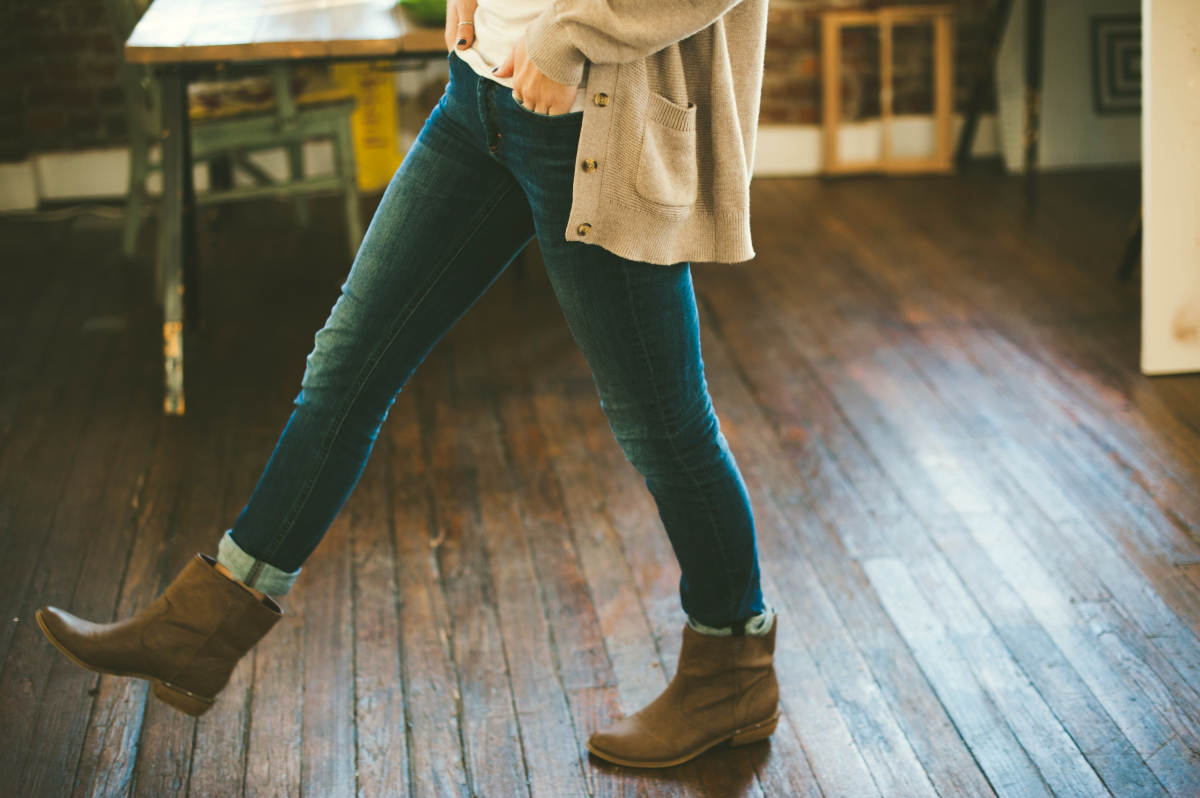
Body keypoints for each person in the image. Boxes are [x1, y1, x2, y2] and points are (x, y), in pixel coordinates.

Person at [37, 0, 779, 769]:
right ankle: (205, 625)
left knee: (662, 425)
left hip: (589, 118)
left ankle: (731, 668)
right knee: (347, 365)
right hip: (477, 98)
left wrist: (569, 38)